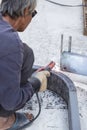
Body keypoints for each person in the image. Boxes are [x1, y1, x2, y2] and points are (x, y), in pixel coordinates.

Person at [0, 0, 50, 129]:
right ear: (25, 11)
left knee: (25, 52)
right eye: (32, 14)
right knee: (26, 54)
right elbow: (10, 102)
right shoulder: (11, 42)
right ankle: (3, 121)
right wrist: (35, 83)